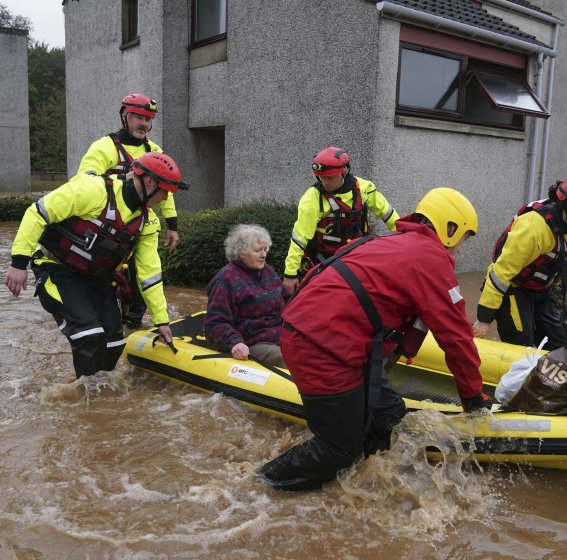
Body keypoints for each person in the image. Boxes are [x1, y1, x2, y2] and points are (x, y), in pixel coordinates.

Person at [258, 187, 491, 492]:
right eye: (464, 238)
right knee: (339, 448)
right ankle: (261, 484)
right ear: (450, 229)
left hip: (321, 335)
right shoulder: (430, 258)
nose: (461, 248)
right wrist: (473, 399)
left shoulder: (391, 242)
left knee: (388, 412)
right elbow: (457, 337)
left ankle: (364, 483)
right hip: (321, 346)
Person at [4, 153, 189, 379]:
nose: (165, 198)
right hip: (56, 267)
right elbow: (38, 213)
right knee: (88, 335)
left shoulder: (147, 222)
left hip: (97, 278)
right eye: (165, 192)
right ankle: (84, 399)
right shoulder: (94, 190)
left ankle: (98, 395)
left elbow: (149, 274)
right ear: (149, 182)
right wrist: (18, 264)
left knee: (114, 342)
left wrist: (161, 320)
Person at [472, 174, 567, 350]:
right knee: (521, 344)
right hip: (513, 288)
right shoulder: (534, 228)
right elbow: (500, 273)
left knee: (557, 345)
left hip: (540, 289)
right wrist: (484, 320)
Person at [76, 93, 180, 327]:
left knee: (139, 286)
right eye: (138, 117)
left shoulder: (155, 151)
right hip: (106, 229)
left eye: (148, 119)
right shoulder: (104, 147)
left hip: (139, 231)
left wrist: (172, 226)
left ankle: (131, 329)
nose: (144, 123)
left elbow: (167, 191)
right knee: (102, 283)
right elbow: (84, 182)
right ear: (124, 115)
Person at [282, 146, 400, 291]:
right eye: (321, 177)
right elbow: (300, 237)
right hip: (326, 261)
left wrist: (404, 239)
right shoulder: (312, 198)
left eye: (330, 177)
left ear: (343, 172)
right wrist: (290, 274)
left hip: (359, 256)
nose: (325, 182)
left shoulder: (363, 188)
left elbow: (389, 215)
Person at [204, 224, 291, 367]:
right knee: (289, 358)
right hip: (252, 342)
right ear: (241, 253)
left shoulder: (267, 271)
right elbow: (214, 323)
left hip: (281, 335)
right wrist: (234, 342)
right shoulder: (226, 279)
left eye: (265, 249)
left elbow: (290, 302)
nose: (263, 254)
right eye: (257, 250)